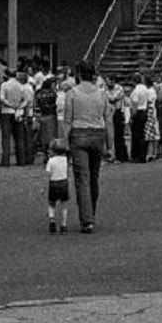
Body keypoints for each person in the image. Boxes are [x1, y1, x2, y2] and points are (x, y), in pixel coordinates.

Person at [61, 61, 112, 234]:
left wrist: (64, 142)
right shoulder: (101, 94)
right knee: (94, 177)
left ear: (79, 74)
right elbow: (108, 120)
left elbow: (67, 120)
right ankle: (92, 213)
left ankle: (86, 219)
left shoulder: (72, 93)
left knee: (82, 178)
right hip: (98, 135)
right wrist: (110, 146)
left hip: (79, 134)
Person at [0, 69, 26, 167]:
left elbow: (2, 98)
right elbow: (25, 100)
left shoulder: (4, 85)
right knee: (19, 137)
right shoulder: (21, 86)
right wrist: (18, 106)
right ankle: (21, 160)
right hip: (18, 112)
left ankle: (5, 161)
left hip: (6, 111)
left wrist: (10, 105)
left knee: (6, 137)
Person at [44, 138, 70, 234]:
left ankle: (52, 218)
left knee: (51, 203)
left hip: (53, 184)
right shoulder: (65, 160)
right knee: (64, 205)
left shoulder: (51, 161)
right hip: (64, 183)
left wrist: (44, 187)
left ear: (53, 151)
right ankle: (63, 225)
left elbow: (48, 174)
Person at [34, 76, 59, 164]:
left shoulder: (38, 93)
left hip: (41, 117)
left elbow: (36, 105)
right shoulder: (53, 94)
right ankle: (51, 155)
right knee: (51, 138)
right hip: (51, 116)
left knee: (43, 138)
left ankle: (45, 155)